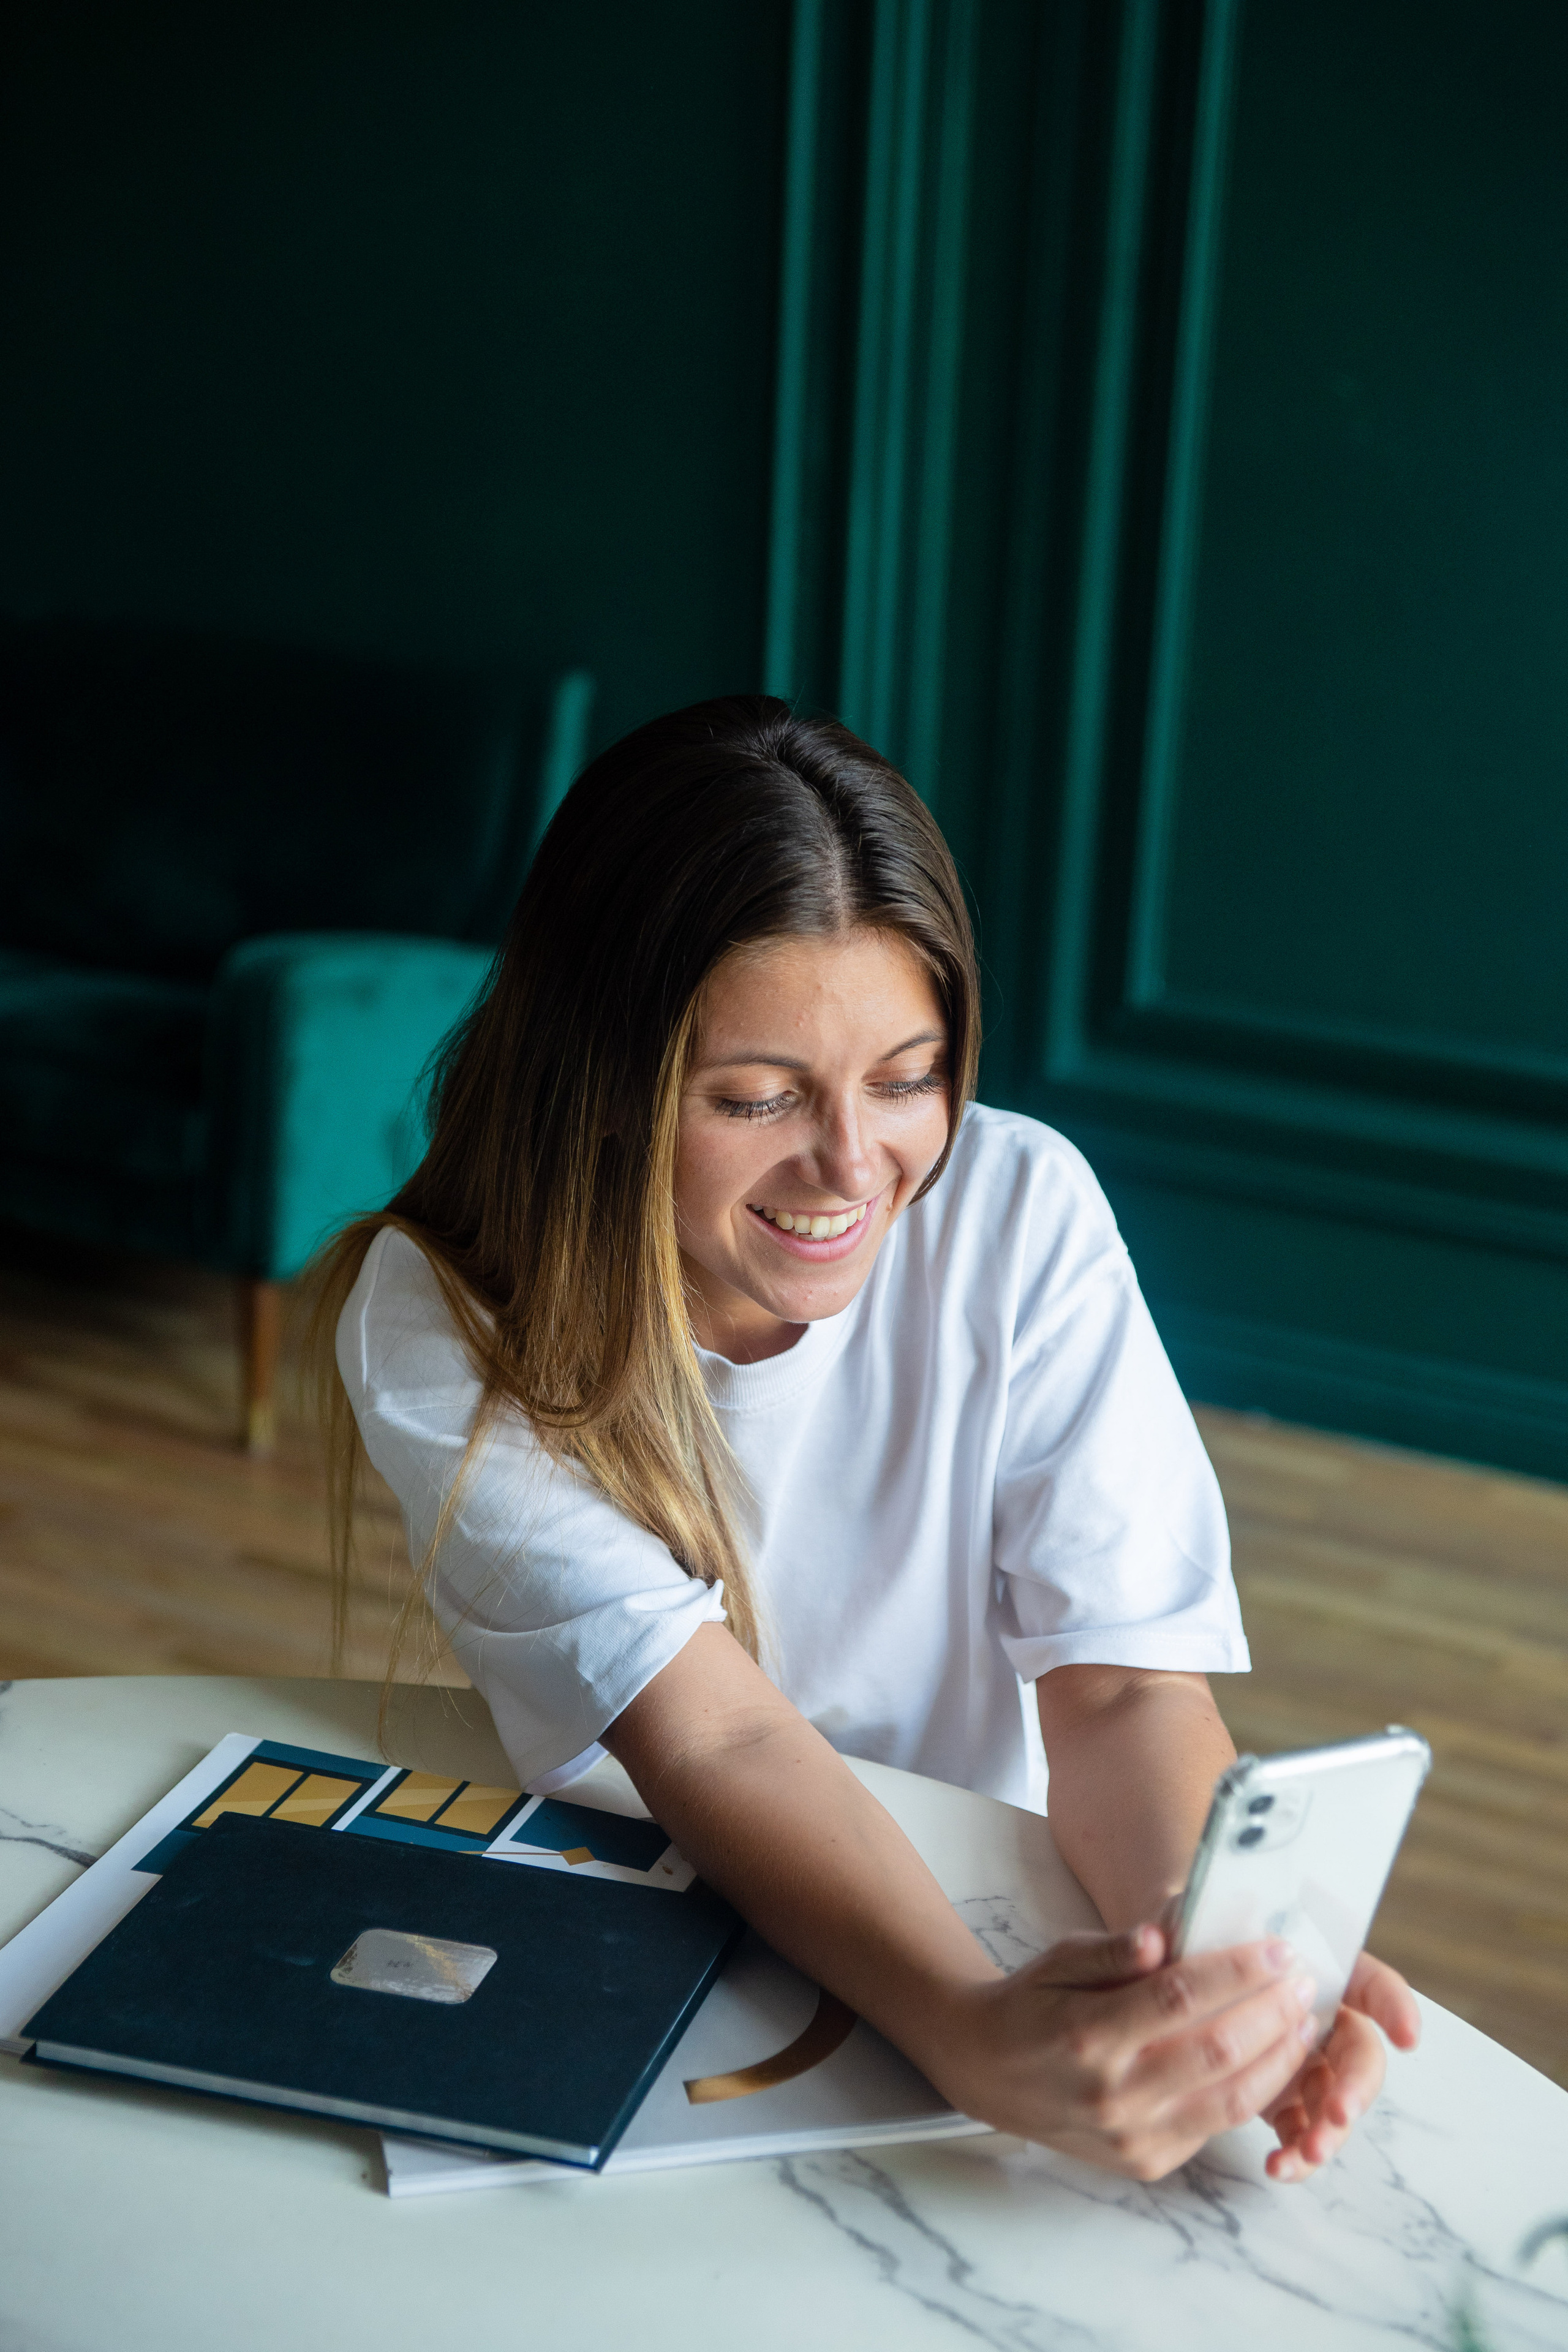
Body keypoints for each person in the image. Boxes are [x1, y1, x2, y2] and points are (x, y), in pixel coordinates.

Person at [316, 696, 1418, 2184]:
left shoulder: (1020, 1211)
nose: (851, 1166)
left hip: (989, 1906)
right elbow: (715, 1729)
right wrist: (966, 2026)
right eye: (757, 1098)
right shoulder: (443, 1314)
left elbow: (1115, 1696)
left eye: (905, 1079)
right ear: (604, 1083)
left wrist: (1218, 1969)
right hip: (631, 1930)